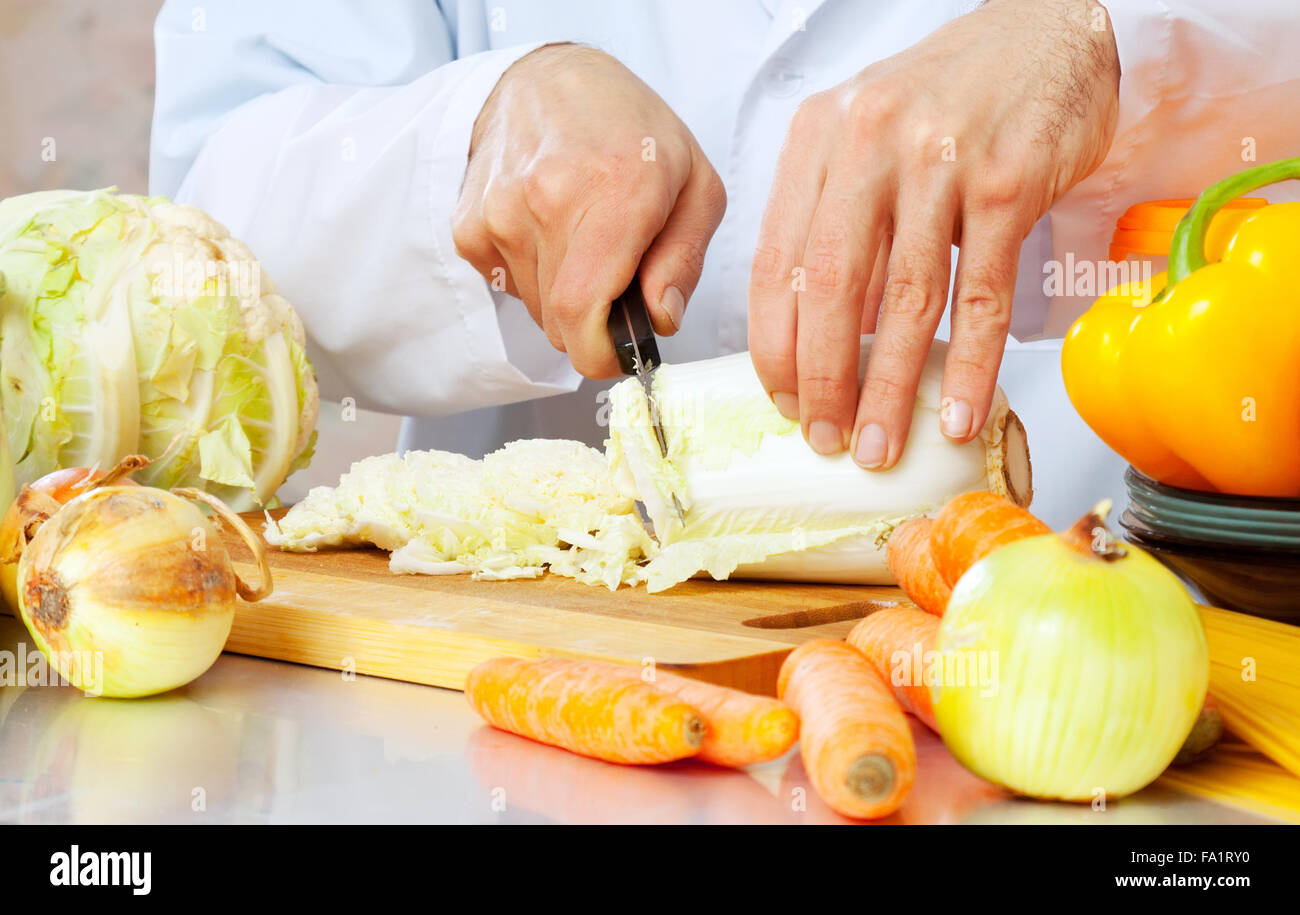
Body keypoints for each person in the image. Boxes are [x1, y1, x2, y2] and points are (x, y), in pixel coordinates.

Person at [150, 0, 1299, 526]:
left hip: (1139, 648)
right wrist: (473, 131)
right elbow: (208, 220)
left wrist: (1116, 44)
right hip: (559, 686)